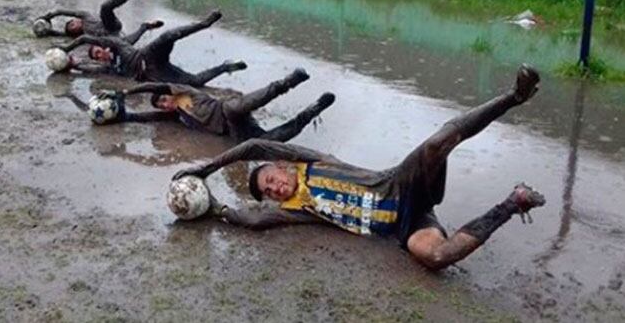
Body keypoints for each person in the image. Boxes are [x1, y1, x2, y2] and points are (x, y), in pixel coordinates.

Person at [173, 64, 546, 271]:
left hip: (398, 184)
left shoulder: (311, 162)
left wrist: (205, 169)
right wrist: (215, 210)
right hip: (406, 225)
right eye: (269, 192)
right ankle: (514, 202)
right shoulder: (300, 211)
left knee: (437, 144)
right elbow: (255, 221)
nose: (274, 189)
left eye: (271, 179)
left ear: (282, 167)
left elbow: (252, 145)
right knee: (436, 257)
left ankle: (514, 97)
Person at [97, 68, 336, 142]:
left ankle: (288, 82)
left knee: (239, 105)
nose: (164, 104)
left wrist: (125, 92)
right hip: (232, 131)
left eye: (163, 99)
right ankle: (314, 109)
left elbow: (151, 87)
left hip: (226, 109)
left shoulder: (183, 91)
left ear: (168, 93)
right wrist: (124, 116)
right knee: (270, 142)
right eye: (161, 105)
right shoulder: (176, 116)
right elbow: (147, 118)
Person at [56, 10, 247, 87]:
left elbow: (86, 37)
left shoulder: (119, 45)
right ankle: (225, 67)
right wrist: (71, 65)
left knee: (169, 36)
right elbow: (89, 70)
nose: (100, 56)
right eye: (97, 57)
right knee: (194, 83)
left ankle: (204, 24)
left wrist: (68, 47)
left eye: (98, 52)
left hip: (147, 55)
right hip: (153, 75)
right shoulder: (108, 69)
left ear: (104, 47)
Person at [34, 0, 162, 44]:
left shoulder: (85, 16)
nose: (74, 27)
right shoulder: (84, 35)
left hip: (110, 24)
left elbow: (64, 11)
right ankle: (145, 27)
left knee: (105, 8)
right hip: (112, 36)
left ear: (75, 20)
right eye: (72, 29)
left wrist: (49, 16)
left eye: (72, 24)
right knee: (124, 46)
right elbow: (61, 35)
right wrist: (49, 32)